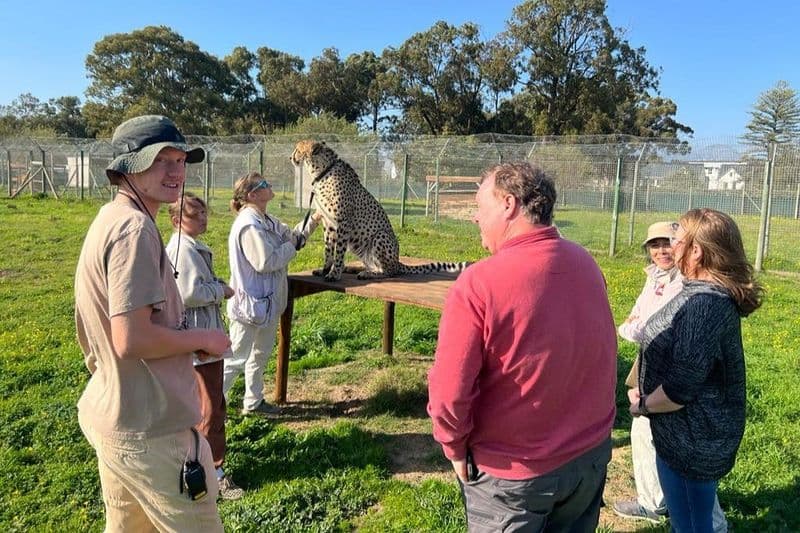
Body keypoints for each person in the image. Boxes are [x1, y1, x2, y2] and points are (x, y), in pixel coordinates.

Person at [427, 162, 618, 532]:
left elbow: (450, 391)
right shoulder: (587, 264)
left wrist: (452, 445)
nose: (474, 218)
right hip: (588, 457)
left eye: (480, 207)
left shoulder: (477, 284)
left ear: (509, 205)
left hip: (513, 476)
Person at [74, 115, 231, 531]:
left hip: (116, 418)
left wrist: (179, 340)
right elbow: (131, 337)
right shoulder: (134, 229)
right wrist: (205, 337)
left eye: (181, 160)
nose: (176, 171)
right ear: (128, 165)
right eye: (162, 159)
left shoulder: (110, 217)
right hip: (152, 435)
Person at [629, 208, 763, 533]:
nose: (671, 247)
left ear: (697, 251)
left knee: (690, 526)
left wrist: (642, 405)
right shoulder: (701, 294)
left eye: (676, 240)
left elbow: (679, 389)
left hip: (690, 440)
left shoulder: (704, 305)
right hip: (689, 435)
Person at [614, 222, 729, 532]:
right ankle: (653, 502)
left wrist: (650, 401)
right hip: (651, 363)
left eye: (669, 243)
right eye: (655, 245)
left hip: (674, 374)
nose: (662, 250)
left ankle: (714, 525)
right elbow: (636, 320)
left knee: (684, 456)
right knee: (642, 434)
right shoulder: (654, 278)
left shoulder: (693, 286)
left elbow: (661, 335)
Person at [166, 192, 243, 501]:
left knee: (215, 404)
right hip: (199, 339)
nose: (203, 219)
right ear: (176, 220)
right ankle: (212, 473)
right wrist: (219, 290)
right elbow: (187, 293)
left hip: (203, 336)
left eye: (203, 213)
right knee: (209, 409)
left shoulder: (190, 247)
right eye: (195, 215)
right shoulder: (183, 250)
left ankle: (207, 465)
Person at [222, 172, 321, 415]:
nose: (271, 185)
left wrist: (315, 219)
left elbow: (294, 238)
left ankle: (253, 403)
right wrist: (291, 248)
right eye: (265, 184)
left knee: (259, 357)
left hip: (266, 306)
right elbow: (265, 261)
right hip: (249, 307)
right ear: (252, 195)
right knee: (235, 360)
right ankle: (208, 409)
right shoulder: (249, 225)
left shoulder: (267, 220)